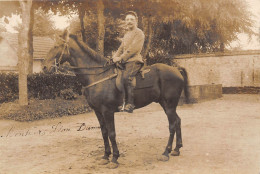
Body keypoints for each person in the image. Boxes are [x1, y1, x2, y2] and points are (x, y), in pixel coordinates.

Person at [112, 11, 145, 113]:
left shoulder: (139, 33)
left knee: (127, 77)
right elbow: (121, 48)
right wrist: (115, 57)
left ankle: (130, 104)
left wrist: (120, 58)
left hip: (134, 60)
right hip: (125, 61)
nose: (129, 21)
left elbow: (133, 49)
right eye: (127, 19)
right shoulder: (126, 34)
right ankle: (117, 102)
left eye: (131, 19)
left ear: (136, 21)